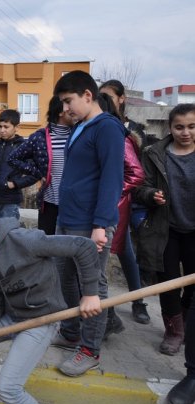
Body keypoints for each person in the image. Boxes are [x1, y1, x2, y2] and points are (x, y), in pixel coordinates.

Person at [0, 196, 101, 404]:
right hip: (11, 317)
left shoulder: (25, 241)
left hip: (42, 321)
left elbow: (83, 247)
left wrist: (90, 294)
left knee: (8, 389)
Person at [50, 70, 126, 377]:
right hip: (67, 218)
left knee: (92, 286)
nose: (65, 109)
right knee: (64, 278)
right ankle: (71, 331)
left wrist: (100, 225)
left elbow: (112, 178)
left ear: (87, 95)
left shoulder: (107, 128)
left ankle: (90, 348)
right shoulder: (81, 126)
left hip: (90, 223)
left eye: (68, 101)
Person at [134, 103, 195, 356]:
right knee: (167, 282)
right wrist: (151, 195)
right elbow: (140, 187)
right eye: (179, 127)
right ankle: (173, 331)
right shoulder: (155, 153)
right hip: (164, 229)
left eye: (191, 126)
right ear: (170, 128)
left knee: (192, 284)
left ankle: (186, 326)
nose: (185, 132)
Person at [99, 83, 151, 326]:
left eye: (108, 97)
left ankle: (138, 302)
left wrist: (114, 191)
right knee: (107, 255)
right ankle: (107, 312)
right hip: (109, 201)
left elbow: (137, 172)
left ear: (121, 99)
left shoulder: (129, 130)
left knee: (125, 253)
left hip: (125, 201)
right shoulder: (99, 126)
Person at [8, 96, 73, 234]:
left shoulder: (78, 134)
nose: (73, 107)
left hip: (73, 204)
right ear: (60, 111)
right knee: (48, 247)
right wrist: (39, 174)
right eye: (68, 104)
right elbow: (13, 158)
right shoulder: (40, 137)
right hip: (48, 204)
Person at [0, 109, 37, 220]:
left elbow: (35, 174)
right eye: (0, 126)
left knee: (7, 234)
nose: (2, 130)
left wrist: (14, 184)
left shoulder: (23, 147)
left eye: (6, 127)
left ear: (16, 127)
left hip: (10, 203)